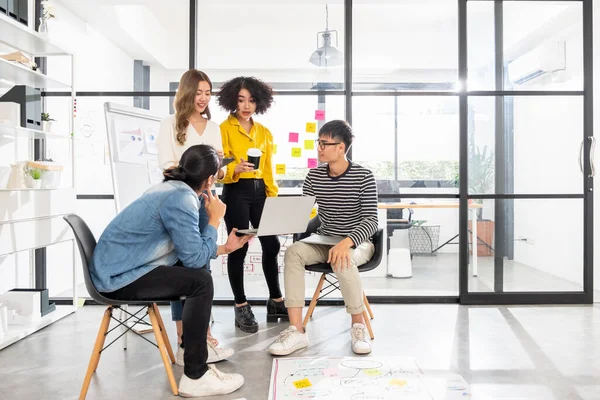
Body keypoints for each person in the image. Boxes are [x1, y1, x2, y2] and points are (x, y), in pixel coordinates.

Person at [91, 145, 248, 397]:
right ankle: (196, 375)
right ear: (209, 179)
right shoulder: (181, 199)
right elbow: (195, 257)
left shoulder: (178, 190)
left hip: (122, 267)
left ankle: (188, 350)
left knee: (194, 272)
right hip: (119, 278)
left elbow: (192, 248)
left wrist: (225, 247)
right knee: (201, 281)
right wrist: (215, 220)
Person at [268, 120, 378, 356]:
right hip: (324, 239)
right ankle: (296, 331)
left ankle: (357, 326)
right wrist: (280, 223)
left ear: (341, 147)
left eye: (324, 144)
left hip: (358, 243)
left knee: (342, 256)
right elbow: (303, 211)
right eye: (318, 142)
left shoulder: (364, 176)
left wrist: (346, 242)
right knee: (293, 252)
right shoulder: (314, 176)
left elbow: (372, 221)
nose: (319, 148)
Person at [156, 69, 233, 365]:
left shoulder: (213, 128)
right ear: (187, 93)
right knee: (184, 269)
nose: (203, 98)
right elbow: (167, 166)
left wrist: (220, 172)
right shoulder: (169, 124)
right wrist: (201, 174)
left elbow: (219, 167)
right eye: (198, 92)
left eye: (207, 93)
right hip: (179, 202)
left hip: (207, 201)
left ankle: (203, 335)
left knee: (203, 269)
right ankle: (184, 339)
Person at [218, 76, 287, 333]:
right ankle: (241, 305)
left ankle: (276, 300)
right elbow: (219, 169)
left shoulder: (264, 133)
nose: (246, 105)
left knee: (272, 243)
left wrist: (272, 197)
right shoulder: (223, 129)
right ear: (232, 101)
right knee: (238, 247)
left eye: (251, 100)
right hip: (236, 190)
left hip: (261, 193)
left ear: (259, 102)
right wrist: (234, 169)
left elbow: (268, 170)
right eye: (240, 100)